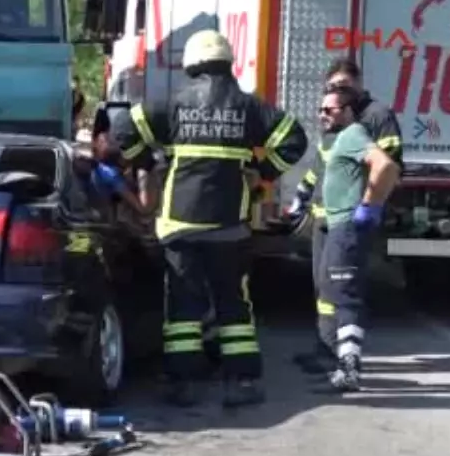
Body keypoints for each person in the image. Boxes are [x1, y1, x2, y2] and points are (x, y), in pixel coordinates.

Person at [114, 29, 309, 407]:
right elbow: (295, 139)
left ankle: (183, 381)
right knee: (233, 303)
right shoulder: (248, 105)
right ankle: (243, 381)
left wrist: (150, 162)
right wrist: (262, 171)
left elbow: (122, 128)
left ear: (192, 63)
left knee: (184, 307)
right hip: (229, 225)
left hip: (179, 223)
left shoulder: (173, 103)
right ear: (227, 61)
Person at [289, 58, 404, 375]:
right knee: (325, 290)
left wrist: (370, 205)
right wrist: (300, 197)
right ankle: (326, 351)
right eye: (331, 88)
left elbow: (388, 166)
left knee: (344, 290)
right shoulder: (333, 129)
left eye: (342, 87)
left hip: (349, 221)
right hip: (324, 220)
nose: (326, 107)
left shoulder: (372, 119)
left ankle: (348, 360)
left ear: (357, 85)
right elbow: (320, 166)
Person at [312, 85, 401, 391]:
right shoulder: (339, 139)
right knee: (334, 290)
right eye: (320, 109)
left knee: (346, 296)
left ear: (348, 111)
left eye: (330, 109)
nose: (322, 114)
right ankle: (344, 366)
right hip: (338, 226)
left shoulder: (352, 135)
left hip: (347, 227)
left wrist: (370, 205)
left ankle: (349, 369)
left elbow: (387, 165)